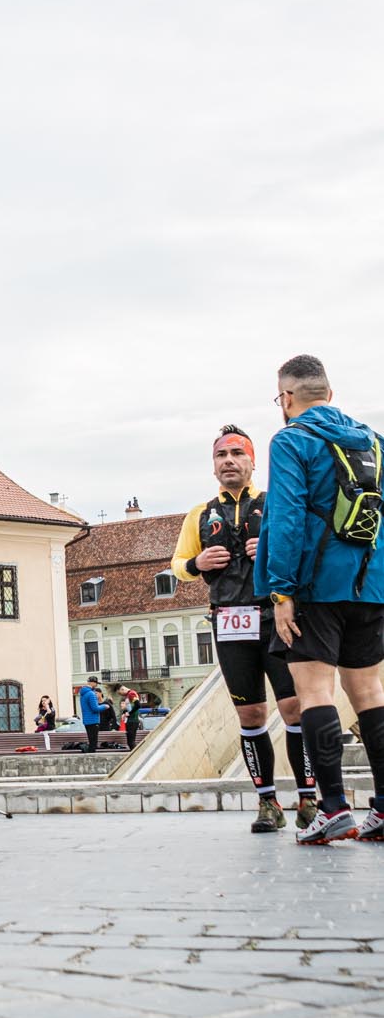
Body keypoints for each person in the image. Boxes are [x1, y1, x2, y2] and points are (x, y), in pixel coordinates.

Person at [253, 354, 384, 845]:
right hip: (371, 585)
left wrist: (281, 591)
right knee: (370, 694)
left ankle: (332, 808)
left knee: (314, 693)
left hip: (314, 585)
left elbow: (286, 517)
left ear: (286, 398)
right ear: (329, 394)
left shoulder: (292, 440)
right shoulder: (374, 441)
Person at [171, 424, 317, 833]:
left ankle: (308, 799)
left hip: (276, 617)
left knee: (294, 708)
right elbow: (178, 565)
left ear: (253, 463)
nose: (229, 461)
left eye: (237, 454)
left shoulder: (275, 504)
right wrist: (197, 564)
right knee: (250, 714)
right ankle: (267, 803)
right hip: (230, 620)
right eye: (221, 455)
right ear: (213, 466)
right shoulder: (200, 514)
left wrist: (270, 550)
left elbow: (305, 550)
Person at [78, 677, 104, 752]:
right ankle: (91, 756)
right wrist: (104, 706)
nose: (96, 685)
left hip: (86, 720)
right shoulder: (91, 694)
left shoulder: (83, 694)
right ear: (92, 683)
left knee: (91, 740)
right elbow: (95, 708)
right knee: (93, 743)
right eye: (96, 683)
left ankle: (90, 753)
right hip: (93, 720)